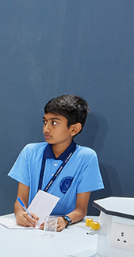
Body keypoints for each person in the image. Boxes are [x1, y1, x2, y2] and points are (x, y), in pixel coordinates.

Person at [9, 95, 104, 230]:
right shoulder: (30, 152)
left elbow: (81, 209)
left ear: (74, 129)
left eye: (54, 123)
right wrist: (20, 214)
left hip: (64, 230)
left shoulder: (86, 157)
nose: (46, 129)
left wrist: (65, 220)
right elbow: (20, 199)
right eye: (45, 122)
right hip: (31, 227)